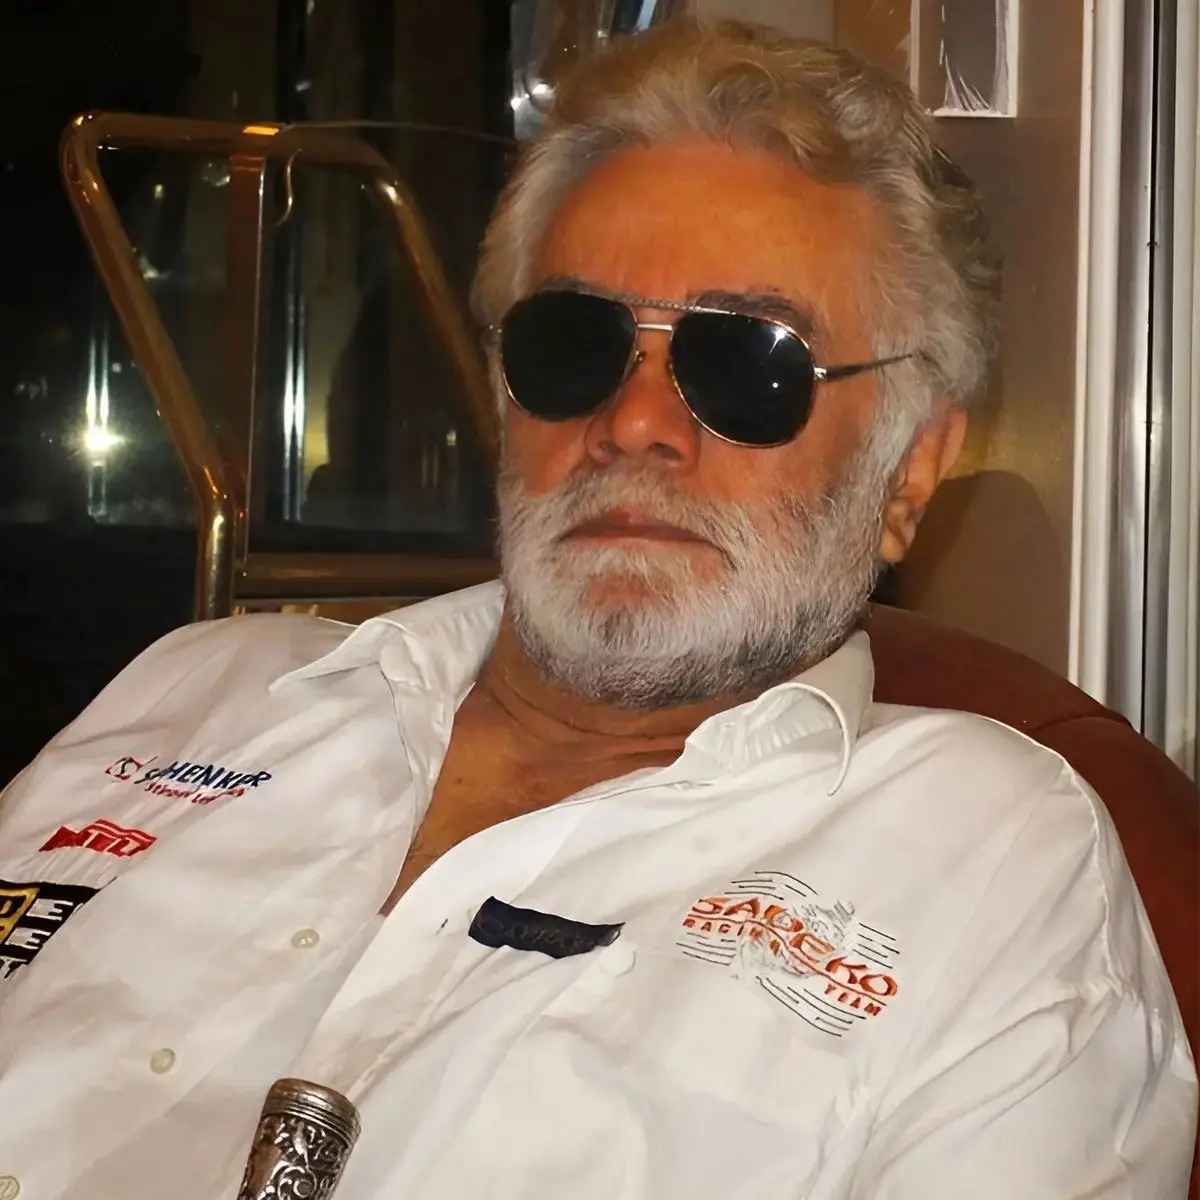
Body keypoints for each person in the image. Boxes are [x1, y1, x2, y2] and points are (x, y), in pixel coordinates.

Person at [0, 18, 1194, 1200]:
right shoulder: (194, 688)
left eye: (747, 364)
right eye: (574, 344)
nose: (633, 423)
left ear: (910, 471)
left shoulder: (992, 866)